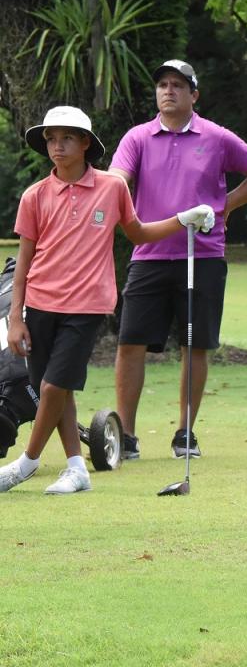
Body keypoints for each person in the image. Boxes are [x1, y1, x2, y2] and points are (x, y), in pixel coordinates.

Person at [0, 106, 214, 494]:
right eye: (50, 138)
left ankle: (26, 464)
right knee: (56, 389)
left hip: (87, 306)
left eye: (66, 137)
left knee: (51, 388)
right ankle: (76, 468)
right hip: (40, 303)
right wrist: (16, 316)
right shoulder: (35, 195)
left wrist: (183, 219)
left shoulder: (112, 187)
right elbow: (24, 261)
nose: (57, 146)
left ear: (85, 143)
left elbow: (138, 233)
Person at [109, 60, 247, 460]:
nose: (169, 91)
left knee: (194, 344)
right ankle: (127, 435)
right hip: (149, 254)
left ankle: (185, 432)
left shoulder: (215, 137)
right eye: (163, 85)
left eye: (178, 86)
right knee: (130, 342)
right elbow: (118, 178)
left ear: (194, 95)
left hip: (201, 255)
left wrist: (223, 206)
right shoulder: (137, 138)